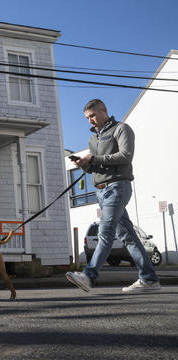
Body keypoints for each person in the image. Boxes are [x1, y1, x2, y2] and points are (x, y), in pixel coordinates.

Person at [66, 99, 161, 293]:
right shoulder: (93, 139)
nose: (90, 121)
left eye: (92, 115)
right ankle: (149, 279)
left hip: (117, 187)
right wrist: (86, 164)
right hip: (101, 191)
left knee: (105, 233)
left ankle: (89, 275)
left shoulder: (121, 129)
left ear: (104, 111)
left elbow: (126, 156)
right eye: (87, 118)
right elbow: (97, 166)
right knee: (129, 238)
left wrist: (94, 159)